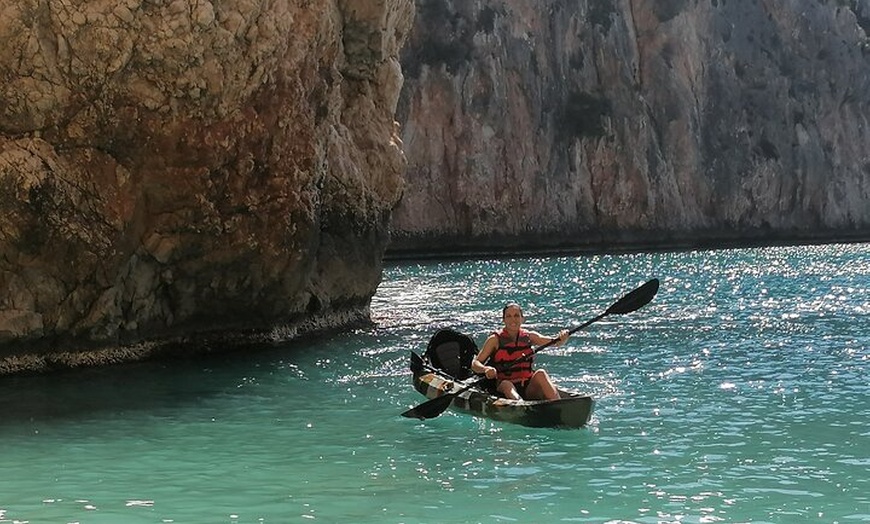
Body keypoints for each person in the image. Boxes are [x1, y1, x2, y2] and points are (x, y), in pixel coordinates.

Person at [470, 303, 569, 401]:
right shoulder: (495, 339)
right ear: (504, 320)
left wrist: (562, 338)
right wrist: (486, 369)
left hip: (528, 386)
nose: (513, 319)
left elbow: (554, 342)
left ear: (522, 319)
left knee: (541, 373)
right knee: (507, 385)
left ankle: (558, 404)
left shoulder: (529, 336)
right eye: (509, 316)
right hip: (504, 386)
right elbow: (475, 364)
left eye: (516, 315)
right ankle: (520, 405)